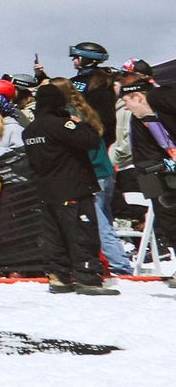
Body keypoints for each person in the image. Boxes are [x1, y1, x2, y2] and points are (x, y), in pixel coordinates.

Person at [21, 83, 119, 295]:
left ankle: (58, 277)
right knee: (82, 233)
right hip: (72, 188)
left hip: (46, 191)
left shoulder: (30, 130)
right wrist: (79, 124)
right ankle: (87, 278)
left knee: (54, 236)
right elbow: (91, 141)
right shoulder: (61, 125)